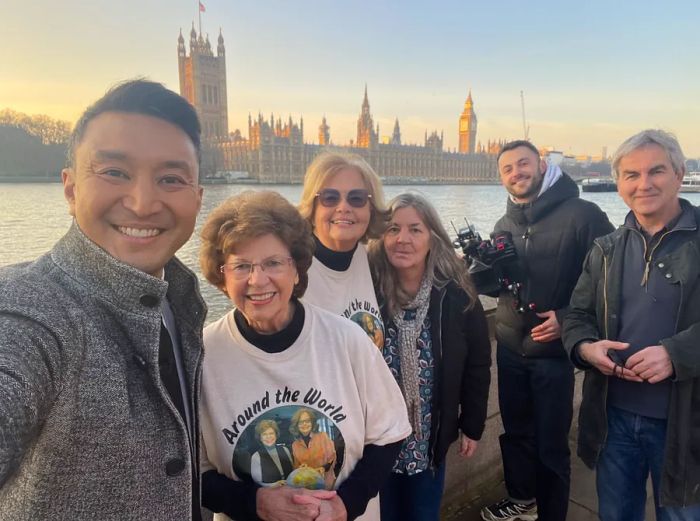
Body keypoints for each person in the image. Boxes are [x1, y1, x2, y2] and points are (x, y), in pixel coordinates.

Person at [0, 80, 206, 519]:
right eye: (115, 172)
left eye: (170, 179)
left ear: (198, 199)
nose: (143, 203)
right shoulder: (29, 308)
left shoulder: (181, 301)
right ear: (71, 189)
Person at [198, 190, 411, 521]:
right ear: (222, 277)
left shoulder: (347, 339)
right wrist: (253, 503)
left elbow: (389, 434)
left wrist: (345, 505)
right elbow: (191, 471)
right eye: (241, 266)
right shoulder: (202, 355)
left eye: (273, 263)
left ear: (296, 270)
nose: (258, 280)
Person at [563, 129, 700, 521]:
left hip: (686, 425)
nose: (644, 184)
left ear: (679, 173)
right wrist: (586, 348)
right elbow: (576, 316)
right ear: (620, 184)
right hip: (614, 420)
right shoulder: (605, 248)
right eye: (631, 175)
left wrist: (676, 354)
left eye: (655, 171)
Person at [480, 140, 613, 521]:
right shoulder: (503, 224)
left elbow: (611, 282)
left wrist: (569, 317)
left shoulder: (584, 215)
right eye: (507, 169)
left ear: (541, 165)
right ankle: (522, 500)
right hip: (509, 348)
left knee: (551, 446)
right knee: (516, 433)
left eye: (523, 164)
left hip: (553, 356)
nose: (516, 173)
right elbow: (499, 286)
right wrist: (478, 270)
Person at [368, 193, 492, 521]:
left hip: (428, 439)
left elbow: (478, 364)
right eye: (393, 229)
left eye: (415, 230)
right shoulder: (367, 293)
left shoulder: (457, 295)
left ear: (432, 238)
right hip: (375, 444)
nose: (402, 239)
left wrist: (473, 425)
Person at [298, 151, 388, 348]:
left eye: (357, 198)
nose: (343, 207)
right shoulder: (291, 270)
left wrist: (442, 258)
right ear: (312, 209)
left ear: (370, 209)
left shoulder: (368, 258)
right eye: (330, 198)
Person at [289, 408, 337, 489]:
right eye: (300, 422)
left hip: (326, 483)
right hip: (308, 485)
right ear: (296, 425)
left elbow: (333, 458)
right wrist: (300, 468)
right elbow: (296, 467)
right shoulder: (295, 445)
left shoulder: (323, 436)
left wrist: (323, 468)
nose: (304, 424)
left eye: (307, 421)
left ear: (312, 423)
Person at [250, 419, 294, 486]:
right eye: (264, 434)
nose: (268, 437)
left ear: (276, 435)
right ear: (260, 438)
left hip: (290, 489)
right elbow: (257, 483)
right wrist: (273, 485)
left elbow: (292, 472)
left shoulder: (285, 450)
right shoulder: (256, 457)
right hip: (271, 493)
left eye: (271, 433)